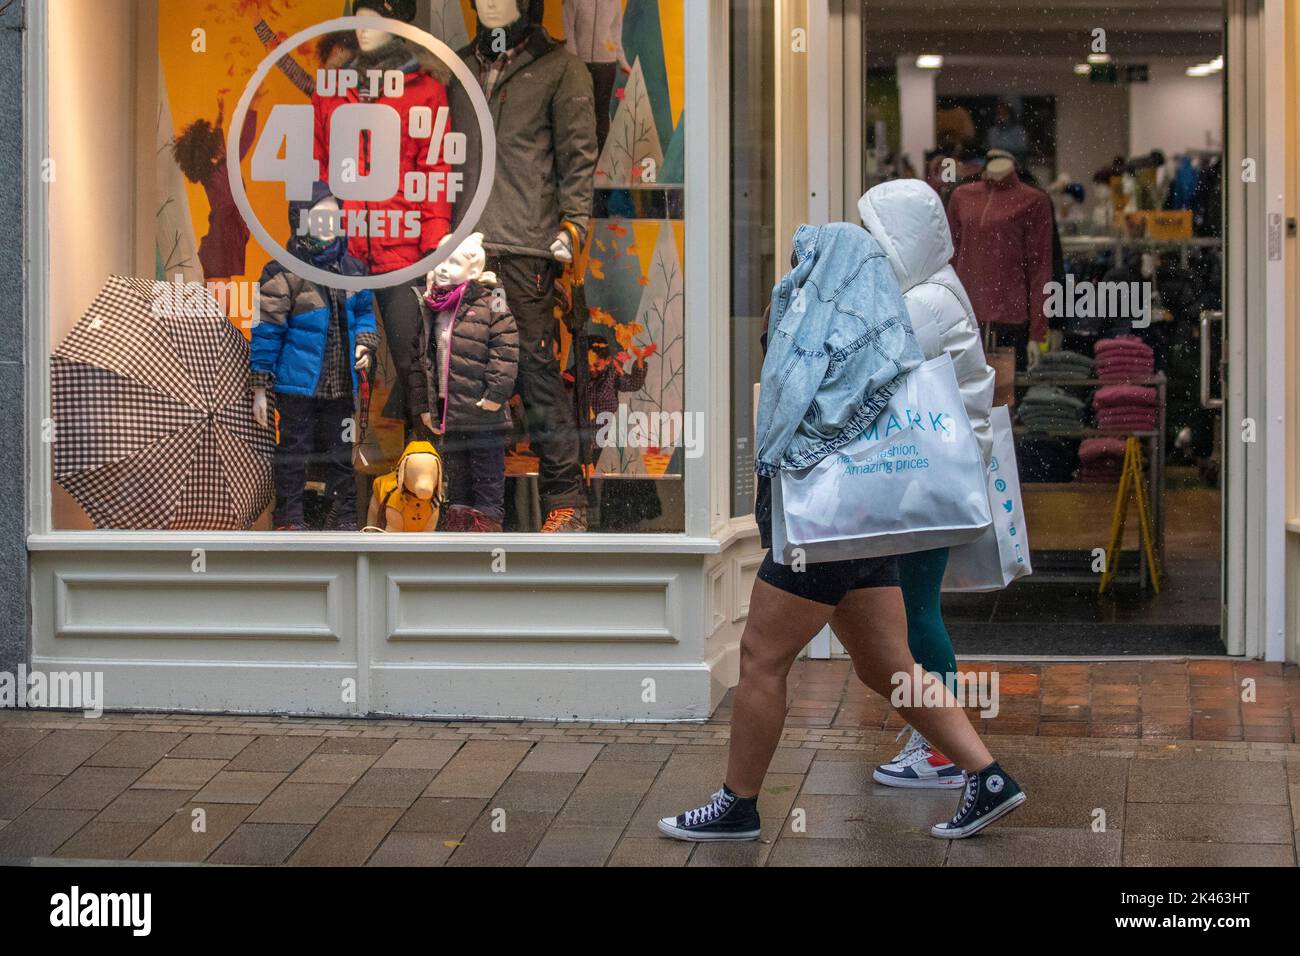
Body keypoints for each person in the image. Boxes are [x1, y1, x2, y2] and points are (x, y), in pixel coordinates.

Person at [658, 222, 1026, 841]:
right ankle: (988, 777)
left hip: (821, 531)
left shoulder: (823, 333)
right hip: (868, 526)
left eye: (808, 261)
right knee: (889, 667)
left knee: (761, 657)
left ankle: (738, 805)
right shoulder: (884, 333)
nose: (797, 273)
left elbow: (796, 413)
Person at [858, 178, 997, 789]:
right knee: (915, 609)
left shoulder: (925, 304)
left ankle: (942, 748)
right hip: (928, 477)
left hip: (923, 482)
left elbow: (873, 370)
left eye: (875, 232)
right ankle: (936, 738)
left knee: (916, 612)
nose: (868, 244)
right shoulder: (933, 290)